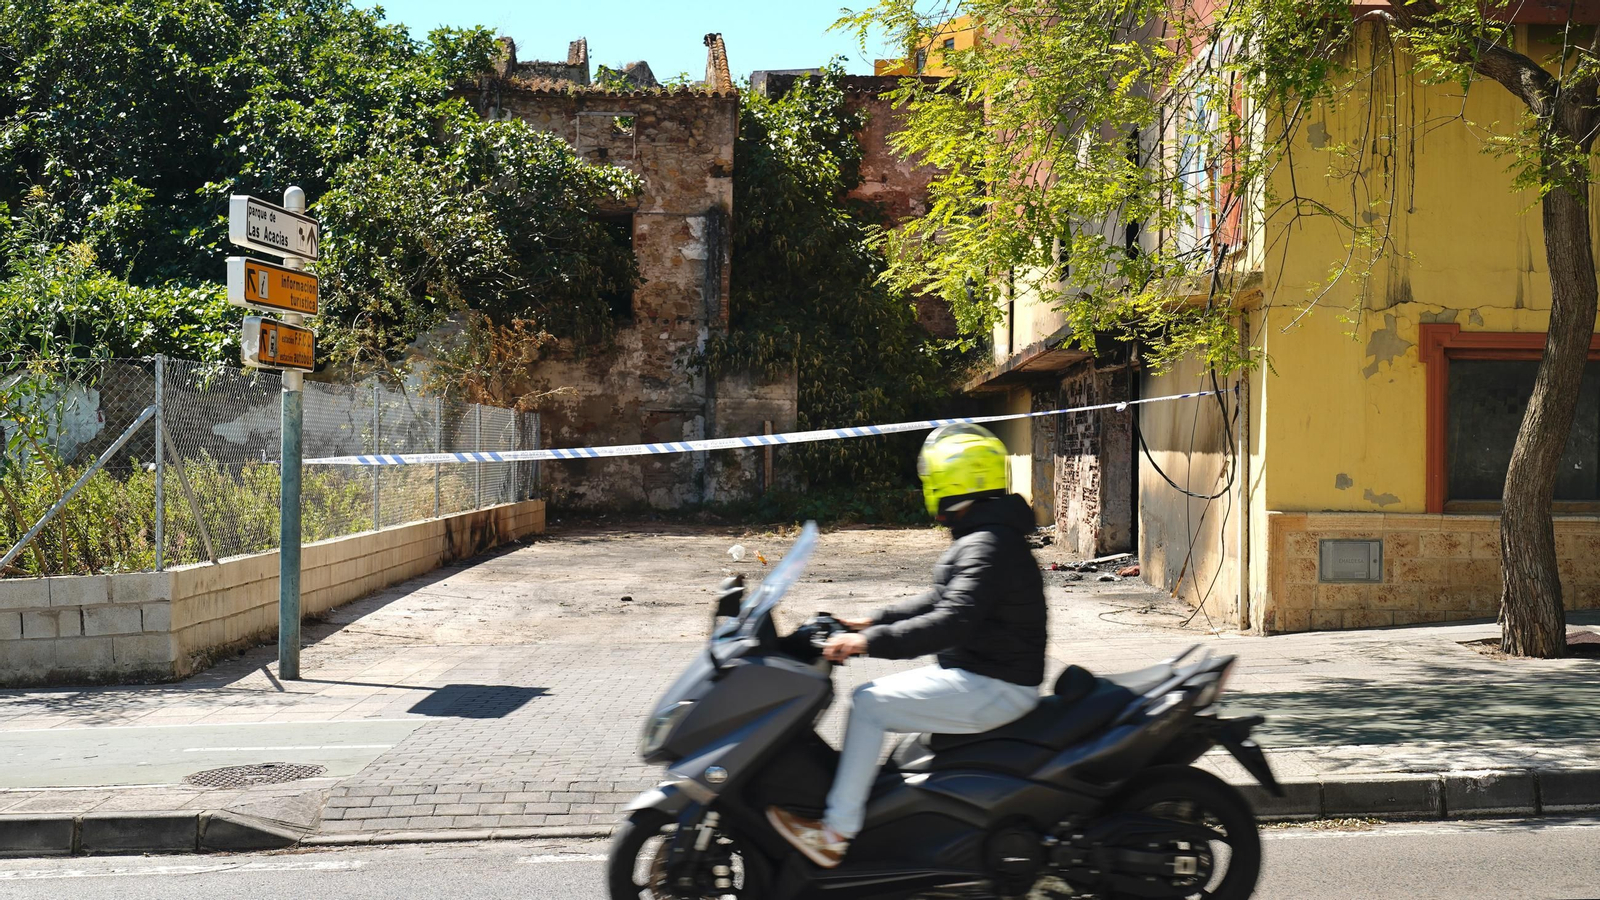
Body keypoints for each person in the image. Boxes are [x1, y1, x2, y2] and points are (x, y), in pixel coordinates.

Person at [766, 423, 1047, 868]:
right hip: (985, 674)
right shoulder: (987, 537)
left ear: (952, 480)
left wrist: (866, 643)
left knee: (869, 704)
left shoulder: (988, 545)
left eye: (932, 479)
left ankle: (835, 833)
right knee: (882, 713)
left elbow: (950, 621)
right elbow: (939, 601)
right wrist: (871, 619)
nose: (928, 488)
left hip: (997, 686)